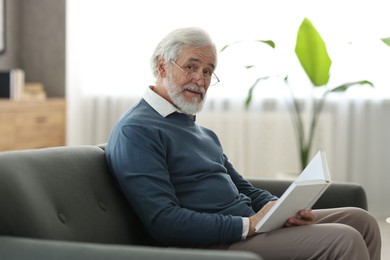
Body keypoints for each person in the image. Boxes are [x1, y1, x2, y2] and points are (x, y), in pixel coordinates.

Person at [105, 27, 381, 259]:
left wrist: (283, 210)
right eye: (191, 67)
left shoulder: (201, 132)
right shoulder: (137, 130)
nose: (200, 79)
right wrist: (248, 224)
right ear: (162, 66)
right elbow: (163, 222)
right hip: (209, 244)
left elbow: (245, 189)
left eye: (208, 71)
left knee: (361, 221)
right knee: (343, 239)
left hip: (247, 228)